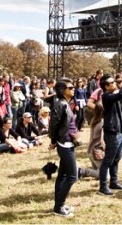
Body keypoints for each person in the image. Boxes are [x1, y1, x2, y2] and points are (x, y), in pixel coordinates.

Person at [49, 79, 80, 217]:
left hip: (68, 143)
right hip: (65, 144)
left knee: (62, 175)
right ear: (62, 90)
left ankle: (59, 205)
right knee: (72, 176)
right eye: (70, 87)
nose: (73, 89)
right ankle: (58, 207)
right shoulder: (60, 104)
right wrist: (53, 140)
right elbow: (53, 125)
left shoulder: (66, 104)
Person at [98, 73, 122, 196]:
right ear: (106, 86)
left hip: (120, 131)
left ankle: (114, 182)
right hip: (112, 132)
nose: (115, 84)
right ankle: (102, 187)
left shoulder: (114, 95)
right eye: (112, 82)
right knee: (108, 160)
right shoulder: (106, 97)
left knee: (116, 159)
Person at [80, 102, 105, 180]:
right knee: (104, 175)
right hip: (97, 152)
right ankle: (82, 171)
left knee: (97, 171)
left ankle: (91, 172)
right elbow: (102, 141)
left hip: (90, 150)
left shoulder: (94, 120)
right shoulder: (103, 122)